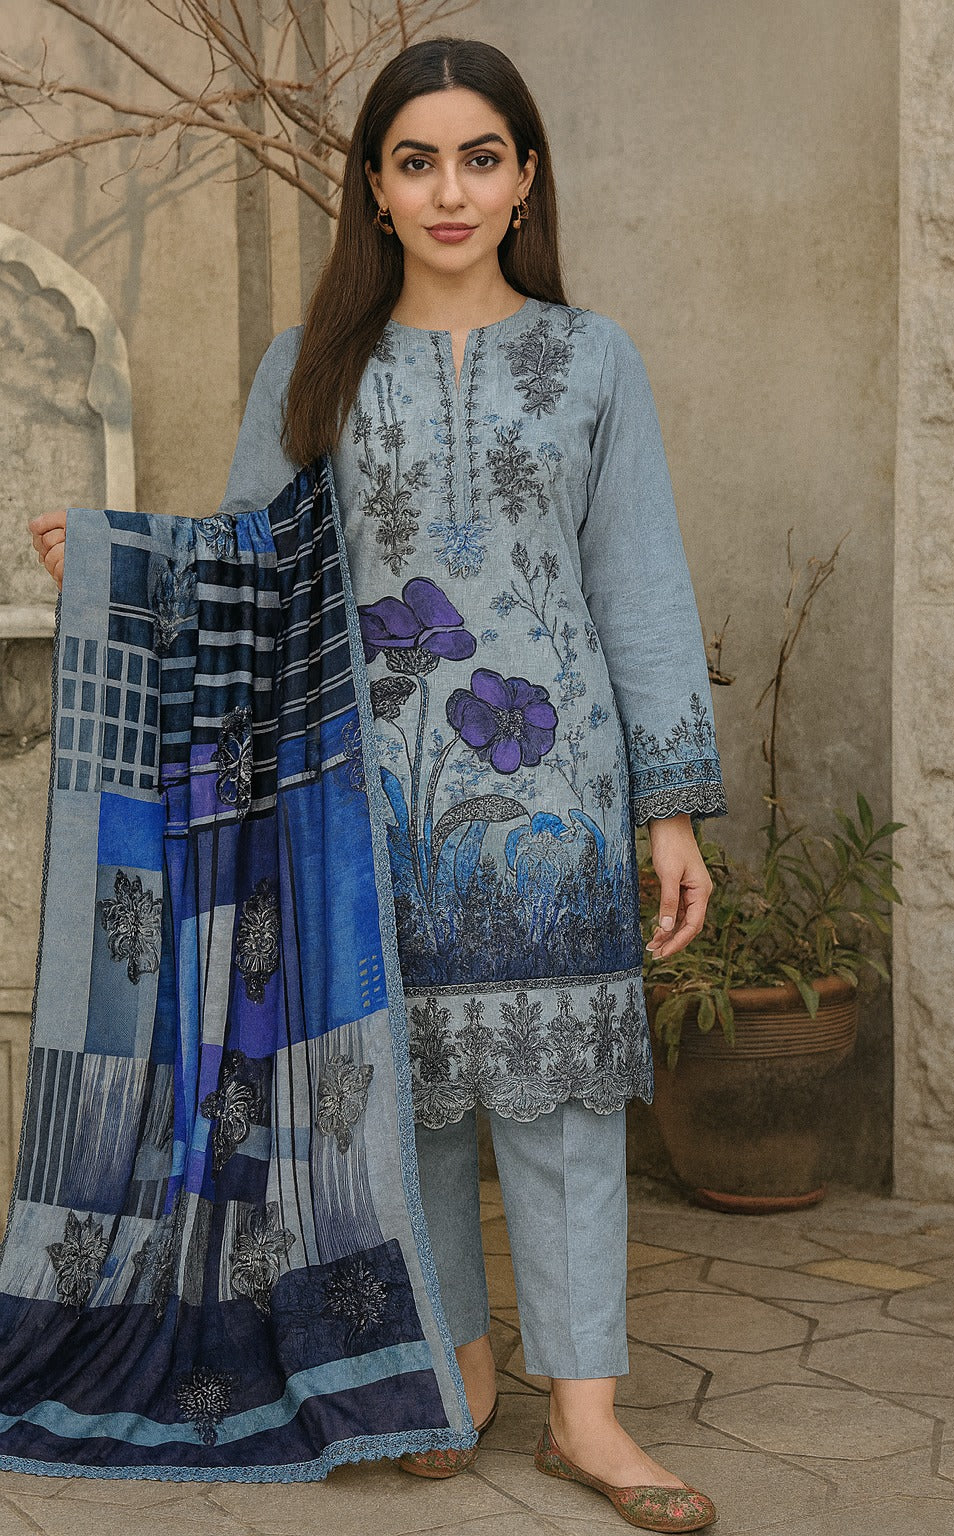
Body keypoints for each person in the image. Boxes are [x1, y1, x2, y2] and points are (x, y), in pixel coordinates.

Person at [28, 35, 726, 1532]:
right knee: (397, 1101)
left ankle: (589, 1416)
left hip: (554, 803)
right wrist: (120, 571)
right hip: (368, 796)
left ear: (527, 176)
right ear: (377, 186)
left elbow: (643, 584)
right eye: (419, 160)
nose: (452, 188)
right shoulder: (315, 367)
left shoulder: (590, 357)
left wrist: (668, 808)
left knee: (563, 1094)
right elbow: (250, 567)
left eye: (482, 156)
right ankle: (452, 1370)